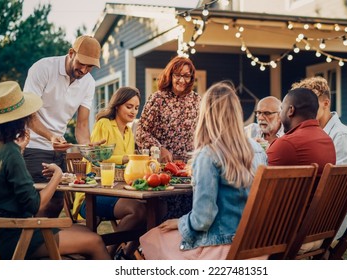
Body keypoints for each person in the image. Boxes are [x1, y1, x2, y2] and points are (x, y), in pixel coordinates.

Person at [0, 81, 110, 260]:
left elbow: (0, 185)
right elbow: (35, 205)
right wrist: (57, 176)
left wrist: (20, 151)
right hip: (15, 238)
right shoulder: (9, 152)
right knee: (95, 241)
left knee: (82, 232)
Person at [139, 81, 267, 260]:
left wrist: (180, 222)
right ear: (237, 113)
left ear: (206, 114)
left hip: (221, 248)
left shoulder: (209, 154)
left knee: (151, 239)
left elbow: (203, 219)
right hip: (256, 247)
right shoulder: (258, 149)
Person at [23, 35, 102, 218]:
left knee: (56, 204)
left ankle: (43, 245)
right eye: (81, 63)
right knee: (39, 203)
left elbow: (82, 124)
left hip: (58, 151)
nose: (84, 70)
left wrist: (87, 148)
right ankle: (31, 244)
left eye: (89, 66)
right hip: (33, 147)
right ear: (71, 53)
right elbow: (29, 115)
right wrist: (50, 137)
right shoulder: (43, 68)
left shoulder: (89, 83)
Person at [72, 86, 147, 259]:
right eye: (129, 106)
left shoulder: (129, 132)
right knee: (138, 212)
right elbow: (97, 157)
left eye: (136, 107)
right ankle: (108, 256)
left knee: (154, 209)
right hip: (92, 194)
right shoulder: (104, 124)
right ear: (118, 105)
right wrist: (126, 158)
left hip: (119, 191)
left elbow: (128, 167)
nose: (133, 111)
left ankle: (125, 254)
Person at [291, 76, 347, 240]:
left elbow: (340, 192)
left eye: (311, 104)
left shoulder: (342, 137)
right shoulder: (309, 132)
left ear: (326, 103)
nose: (305, 110)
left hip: (330, 218)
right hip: (311, 207)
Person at [135, 56, 201, 219]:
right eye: (178, 75)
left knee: (188, 212)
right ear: (170, 75)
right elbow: (141, 131)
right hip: (162, 169)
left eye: (187, 76)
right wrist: (159, 147)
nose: (182, 80)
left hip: (187, 169)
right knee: (163, 215)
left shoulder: (196, 100)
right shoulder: (157, 99)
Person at [267, 87, 336, 175]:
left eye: (282, 108)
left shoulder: (285, 144)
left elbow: (263, 181)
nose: (279, 115)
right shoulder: (328, 141)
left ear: (291, 110)